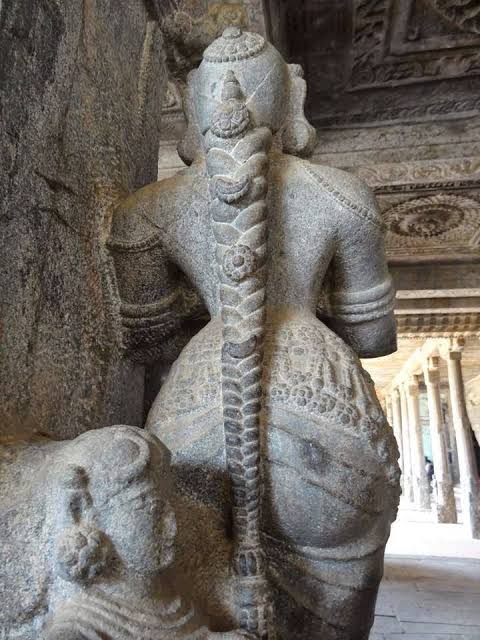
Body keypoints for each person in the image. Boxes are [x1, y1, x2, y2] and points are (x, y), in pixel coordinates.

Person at [109, 28, 401, 639]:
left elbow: (148, 342)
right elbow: (371, 337)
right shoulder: (344, 197)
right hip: (322, 413)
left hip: (196, 411)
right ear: (289, 97)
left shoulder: (146, 211)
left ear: (193, 106)